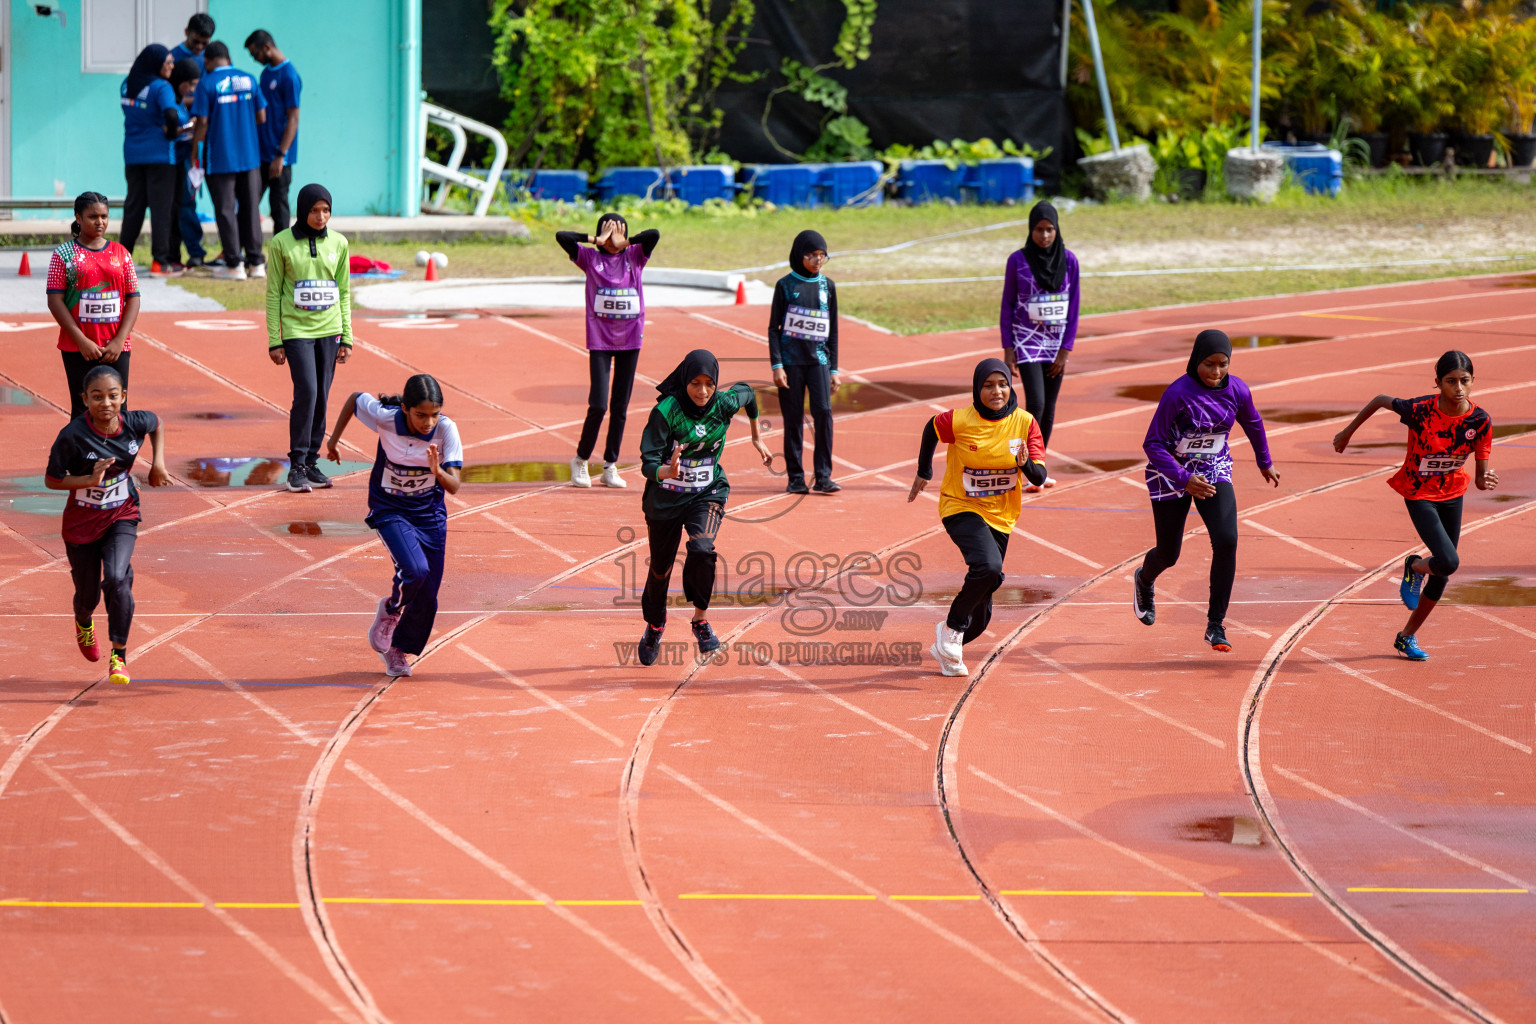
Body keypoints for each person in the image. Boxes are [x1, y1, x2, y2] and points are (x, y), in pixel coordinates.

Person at [1332, 350, 1496, 661]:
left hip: (1453, 493)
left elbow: (1479, 477)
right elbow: (1380, 399)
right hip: (1419, 492)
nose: (1458, 388)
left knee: (1444, 572)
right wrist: (1347, 433)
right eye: (1450, 382)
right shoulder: (1420, 410)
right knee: (1448, 561)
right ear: (1438, 383)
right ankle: (1416, 566)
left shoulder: (1480, 421)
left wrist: (1486, 480)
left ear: (1473, 382)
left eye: (1464, 381)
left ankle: (1406, 637)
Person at [1133, 330, 1280, 653]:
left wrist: (1264, 461)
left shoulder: (1237, 389)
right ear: (1195, 360)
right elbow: (1152, 443)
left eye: (1222, 365)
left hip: (1214, 469)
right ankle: (1144, 579)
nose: (1215, 373)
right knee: (1169, 554)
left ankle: (1216, 625)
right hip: (1170, 472)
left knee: (1227, 539)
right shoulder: (1177, 394)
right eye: (1209, 365)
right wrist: (1183, 478)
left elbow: (1252, 422)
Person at [909, 358, 1047, 677]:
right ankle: (953, 627)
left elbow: (1039, 477)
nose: (996, 391)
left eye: (1002, 384)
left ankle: (947, 640)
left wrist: (1025, 464)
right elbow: (931, 427)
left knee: (983, 612)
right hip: (960, 506)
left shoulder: (1024, 424)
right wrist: (924, 471)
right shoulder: (959, 420)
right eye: (988, 385)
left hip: (1001, 517)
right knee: (988, 567)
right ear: (977, 389)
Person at [635, 349, 773, 665]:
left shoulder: (723, 403)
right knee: (660, 569)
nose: (702, 391)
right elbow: (647, 462)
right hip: (665, 500)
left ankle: (700, 619)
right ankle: (655, 624)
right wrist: (665, 472)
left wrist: (756, 437)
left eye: (709, 384)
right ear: (684, 381)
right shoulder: (667, 411)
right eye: (695, 383)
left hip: (706, 493)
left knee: (702, 548)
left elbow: (749, 394)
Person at [327, 375, 463, 678]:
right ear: (404, 409)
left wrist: (436, 470)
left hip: (429, 515)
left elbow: (454, 485)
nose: (428, 422)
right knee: (415, 570)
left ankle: (397, 648)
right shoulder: (385, 418)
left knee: (427, 596)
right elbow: (354, 398)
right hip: (390, 509)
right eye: (421, 415)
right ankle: (390, 610)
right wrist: (333, 441)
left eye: (434, 414)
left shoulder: (445, 430)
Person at [43, 365, 169, 687]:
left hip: (121, 514)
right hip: (81, 524)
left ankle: (119, 656)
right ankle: (83, 621)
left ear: (123, 397)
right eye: (97, 397)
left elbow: (156, 422)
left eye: (113, 396)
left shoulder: (133, 423)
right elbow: (52, 479)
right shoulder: (72, 435)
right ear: (85, 400)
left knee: (117, 577)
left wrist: (158, 463)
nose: (106, 403)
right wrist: (90, 479)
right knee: (87, 598)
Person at [555, 214, 660, 489]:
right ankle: (580, 460)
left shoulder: (635, 257)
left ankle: (610, 465)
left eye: (618, 235)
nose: (613, 241)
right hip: (601, 340)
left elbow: (654, 234)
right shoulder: (590, 259)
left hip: (630, 340)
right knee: (599, 405)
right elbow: (562, 237)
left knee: (620, 407)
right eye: (608, 234)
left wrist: (627, 241)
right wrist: (595, 240)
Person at [266, 184, 352, 493]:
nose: (321, 216)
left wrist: (347, 338)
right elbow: (274, 292)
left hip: (329, 331)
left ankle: (313, 462)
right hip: (297, 331)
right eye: (315, 211)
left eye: (326, 210)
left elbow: (343, 292)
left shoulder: (340, 243)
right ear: (303, 211)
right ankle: (297, 464)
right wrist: (275, 340)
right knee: (308, 392)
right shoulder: (281, 244)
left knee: (323, 397)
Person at [1000, 201, 1079, 491]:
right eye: (1038, 230)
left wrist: (1066, 350)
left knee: (1050, 408)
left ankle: (1038, 469)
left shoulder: (1069, 261)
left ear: (1057, 230)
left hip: (1056, 345)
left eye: (1049, 230)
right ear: (1030, 230)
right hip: (1025, 341)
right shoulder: (1017, 261)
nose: (1044, 236)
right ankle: (1024, 465)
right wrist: (1008, 350)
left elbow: (1074, 308)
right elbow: (1007, 305)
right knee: (1036, 404)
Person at [47, 194, 140, 420]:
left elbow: (133, 299)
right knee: (83, 409)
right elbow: (54, 301)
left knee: (117, 410)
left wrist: (119, 341)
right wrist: (81, 341)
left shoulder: (121, 253)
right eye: (92, 216)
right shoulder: (64, 254)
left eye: (104, 216)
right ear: (78, 218)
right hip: (78, 347)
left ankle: (118, 455)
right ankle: (82, 456)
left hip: (116, 347)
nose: (99, 221)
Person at [768, 229, 841, 495]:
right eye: (812, 255)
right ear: (800, 256)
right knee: (794, 420)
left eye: (823, 256)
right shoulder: (785, 286)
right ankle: (795, 477)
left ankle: (823, 476)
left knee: (823, 414)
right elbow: (773, 329)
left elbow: (832, 331)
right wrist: (777, 365)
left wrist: (834, 369)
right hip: (791, 364)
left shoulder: (828, 287)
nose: (817, 260)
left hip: (819, 362)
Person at [190, 41, 267, 281]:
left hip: (220, 157)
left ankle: (234, 264)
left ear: (208, 61)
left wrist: (195, 151)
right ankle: (256, 263)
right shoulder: (250, 79)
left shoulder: (207, 83)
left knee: (225, 211)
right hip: (250, 157)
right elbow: (261, 116)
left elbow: (201, 123)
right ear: (229, 57)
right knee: (251, 207)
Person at [118, 44, 180, 276]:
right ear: (156, 64)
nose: (172, 66)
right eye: (168, 62)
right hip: (160, 156)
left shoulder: (127, 84)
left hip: (133, 154)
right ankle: (160, 262)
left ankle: (122, 260)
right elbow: (171, 114)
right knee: (160, 209)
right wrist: (172, 133)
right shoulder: (161, 87)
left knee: (133, 207)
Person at [245, 30, 301, 233]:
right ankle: (243, 255)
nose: (254, 58)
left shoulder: (289, 76)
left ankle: (281, 258)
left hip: (279, 157)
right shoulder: (266, 73)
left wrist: (281, 154)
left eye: (255, 53)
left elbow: (293, 118)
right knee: (248, 203)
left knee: (279, 207)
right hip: (261, 154)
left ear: (267, 47)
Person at [168, 58, 206, 269]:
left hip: (184, 161)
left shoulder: (181, 100)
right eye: (189, 85)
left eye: (195, 86)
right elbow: (168, 131)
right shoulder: (169, 101)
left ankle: (191, 251)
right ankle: (193, 251)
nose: (191, 90)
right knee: (184, 207)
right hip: (174, 162)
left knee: (186, 206)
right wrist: (189, 127)